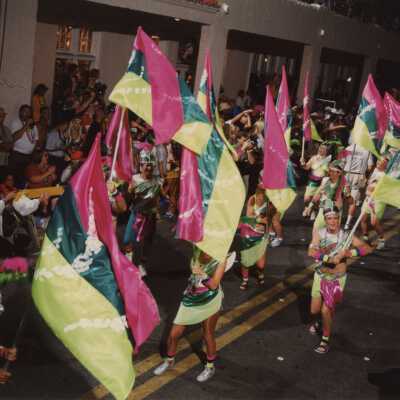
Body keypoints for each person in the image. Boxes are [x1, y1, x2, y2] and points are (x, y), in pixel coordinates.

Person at [153, 248, 233, 382]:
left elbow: (213, 285)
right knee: (174, 334)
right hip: (191, 298)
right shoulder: (197, 251)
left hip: (209, 300)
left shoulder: (221, 258)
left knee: (208, 334)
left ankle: (210, 367)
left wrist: (203, 274)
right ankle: (170, 360)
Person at [308, 206, 371, 354]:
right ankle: (320, 322)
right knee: (314, 310)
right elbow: (311, 251)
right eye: (329, 218)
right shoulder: (320, 233)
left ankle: (325, 339)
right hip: (320, 276)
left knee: (325, 311)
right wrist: (327, 258)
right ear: (325, 220)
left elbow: (367, 248)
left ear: (339, 219)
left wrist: (349, 252)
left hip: (336, 280)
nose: (332, 221)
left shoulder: (346, 236)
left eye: (335, 218)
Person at [123, 151, 161, 277]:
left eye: (150, 165)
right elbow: (129, 197)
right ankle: (128, 262)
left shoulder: (157, 181)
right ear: (141, 166)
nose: (148, 168)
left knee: (147, 242)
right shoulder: (135, 179)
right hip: (137, 214)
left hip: (150, 216)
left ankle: (142, 265)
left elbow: (156, 198)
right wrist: (129, 191)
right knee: (128, 239)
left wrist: (157, 211)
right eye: (146, 165)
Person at [238, 187, 268, 290]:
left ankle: (260, 274)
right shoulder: (252, 199)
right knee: (246, 262)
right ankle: (245, 280)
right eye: (258, 195)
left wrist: (260, 219)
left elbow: (269, 221)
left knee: (261, 265)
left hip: (261, 236)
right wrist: (259, 219)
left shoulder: (270, 204)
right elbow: (249, 216)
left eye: (261, 196)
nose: (259, 198)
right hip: (248, 233)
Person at [342, 143, 374, 230]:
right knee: (353, 201)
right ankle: (347, 223)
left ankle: (339, 219)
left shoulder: (348, 148)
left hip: (346, 175)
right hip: (358, 176)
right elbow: (370, 166)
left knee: (343, 199)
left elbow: (341, 163)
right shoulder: (367, 150)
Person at [360, 157, 388, 250]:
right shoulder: (375, 170)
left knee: (374, 222)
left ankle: (382, 239)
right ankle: (365, 237)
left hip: (378, 200)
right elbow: (370, 183)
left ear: (386, 164)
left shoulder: (385, 175)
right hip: (368, 198)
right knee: (362, 218)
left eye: (381, 162)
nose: (378, 162)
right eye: (378, 160)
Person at [9, 105, 39, 187]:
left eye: (29, 112)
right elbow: (15, 137)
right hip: (17, 155)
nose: (27, 113)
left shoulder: (33, 125)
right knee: (14, 180)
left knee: (25, 179)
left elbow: (36, 139)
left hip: (28, 156)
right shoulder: (16, 122)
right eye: (25, 111)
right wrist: (26, 125)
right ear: (20, 112)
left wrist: (32, 152)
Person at [301, 143, 331, 218]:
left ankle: (312, 211)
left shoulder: (328, 160)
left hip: (322, 182)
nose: (321, 150)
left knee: (316, 200)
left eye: (323, 149)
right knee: (306, 199)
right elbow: (306, 167)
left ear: (326, 151)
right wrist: (303, 164)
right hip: (312, 181)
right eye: (320, 148)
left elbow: (330, 173)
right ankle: (308, 208)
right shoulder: (313, 158)